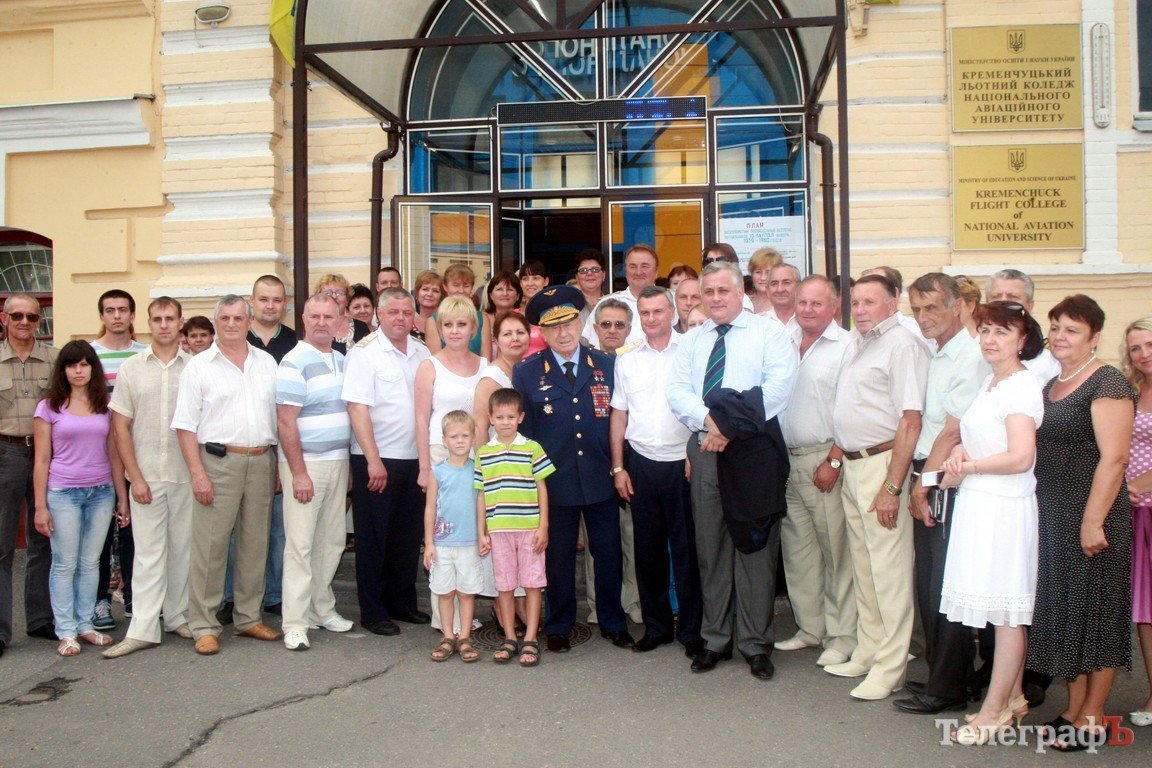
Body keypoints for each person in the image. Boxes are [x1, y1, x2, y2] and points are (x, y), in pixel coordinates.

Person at [667, 261, 797, 680]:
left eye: (724, 290)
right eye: (709, 292)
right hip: (706, 448)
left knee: (756, 550)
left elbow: (777, 388)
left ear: (741, 291)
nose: (716, 298)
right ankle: (715, 640)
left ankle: (756, 644)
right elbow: (678, 391)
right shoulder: (693, 339)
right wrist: (712, 424)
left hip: (754, 452)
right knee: (712, 549)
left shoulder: (768, 332)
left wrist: (728, 426)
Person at [934, 301, 1046, 744]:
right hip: (981, 503)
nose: (990, 340)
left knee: (1006, 613)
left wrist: (969, 468)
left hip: (1003, 506)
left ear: (1023, 340)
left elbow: (1021, 457)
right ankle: (1013, 696)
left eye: (1002, 332)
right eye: (984, 331)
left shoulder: (1021, 386)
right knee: (997, 608)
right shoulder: (991, 382)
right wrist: (961, 454)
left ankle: (995, 710)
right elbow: (979, 439)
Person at [1029, 294, 1136, 751]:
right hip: (1053, 514)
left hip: (1093, 515)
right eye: (1055, 327)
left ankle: (1093, 713)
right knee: (1068, 614)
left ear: (1094, 337)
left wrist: (1093, 523)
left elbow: (1114, 459)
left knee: (1097, 615)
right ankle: (1073, 708)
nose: (1060, 337)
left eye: (1071, 330)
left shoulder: (1108, 382)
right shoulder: (1052, 384)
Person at [512, 284, 633, 653]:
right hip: (556, 480)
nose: (563, 333)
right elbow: (527, 432)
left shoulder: (608, 365)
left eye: (569, 323)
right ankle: (560, 622)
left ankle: (613, 620)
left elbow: (620, 419)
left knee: (608, 553)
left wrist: (618, 468)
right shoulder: (527, 373)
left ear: (582, 322)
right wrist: (534, 482)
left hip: (601, 475)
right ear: (543, 333)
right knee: (558, 556)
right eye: (553, 327)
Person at [828, 273, 928, 700]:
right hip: (854, 466)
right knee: (865, 568)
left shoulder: (902, 344)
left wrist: (892, 485)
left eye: (871, 301)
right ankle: (869, 650)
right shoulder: (860, 342)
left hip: (883, 465)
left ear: (893, 302)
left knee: (888, 572)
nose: (862, 309)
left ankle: (891, 666)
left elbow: (911, 419)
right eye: (856, 302)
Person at [893, 274, 987, 716]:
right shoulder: (939, 351)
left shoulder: (969, 355)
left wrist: (921, 484)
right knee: (929, 584)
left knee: (942, 586)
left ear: (958, 306)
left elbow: (952, 430)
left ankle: (948, 685)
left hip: (943, 479)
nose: (924, 317)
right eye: (917, 309)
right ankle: (945, 674)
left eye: (932, 307)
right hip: (930, 472)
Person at [171, 295, 281, 655]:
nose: (231, 324)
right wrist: (198, 474)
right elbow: (185, 427)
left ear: (250, 322)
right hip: (218, 463)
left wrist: (277, 465)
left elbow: (277, 419)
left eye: (238, 317)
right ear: (215, 322)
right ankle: (203, 623)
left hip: (261, 460)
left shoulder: (266, 363)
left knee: (255, 544)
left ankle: (249, 618)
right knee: (210, 547)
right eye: (225, 318)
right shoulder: (199, 367)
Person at [610, 285, 702, 656]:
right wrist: (618, 466)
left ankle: (693, 631)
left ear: (672, 312)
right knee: (647, 551)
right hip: (642, 463)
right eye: (645, 313)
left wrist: (697, 453)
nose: (651, 319)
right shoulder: (627, 359)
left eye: (658, 312)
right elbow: (619, 413)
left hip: (683, 462)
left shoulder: (692, 352)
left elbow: (702, 406)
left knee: (687, 551)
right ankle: (658, 626)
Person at [103, 298, 195, 658]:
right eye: (156, 319)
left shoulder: (197, 368)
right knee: (147, 555)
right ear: (148, 323)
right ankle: (143, 627)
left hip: (186, 474)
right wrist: (133, 478)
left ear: (180, 322)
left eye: (170, 318)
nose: (163, 325)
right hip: (147, 477)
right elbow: (120, 426)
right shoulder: (131, 369)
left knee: (183, 550)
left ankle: (176, 616)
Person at [775, 276, 856, 668]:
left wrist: (835, 459)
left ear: (835, 306)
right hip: (786, 459)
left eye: (816, 303)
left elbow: (851, 409)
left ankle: (843, 635)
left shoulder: (847, 347)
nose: (807, 309)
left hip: (824, 457)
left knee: (835, 551)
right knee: (799, 550)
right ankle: (811, 628)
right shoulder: (783, 339)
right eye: (802, 302)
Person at [342, 287, 431, 636]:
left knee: (406, 538)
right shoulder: (364, 354)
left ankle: (402, 602)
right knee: (374, 537)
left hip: (414, 459)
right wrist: (373, 460)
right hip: (376, 460)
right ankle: (374, 610)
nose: (400, 319)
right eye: (393, 312)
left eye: (407, 313)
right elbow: (357, 408)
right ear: (379, 314)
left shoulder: (422, 352)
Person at [32, 341, 128, 656]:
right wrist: (40, 506)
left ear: (93, 369)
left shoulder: (106, 404)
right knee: (64, 563)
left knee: (90, 563)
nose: (78, 370)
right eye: (72, 365)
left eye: (85, 364)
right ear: (63, 369)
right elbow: (42, 459)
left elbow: (114, 453)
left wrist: (121, 497)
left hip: (100, 492)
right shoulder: (48, 406)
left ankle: (85, 625)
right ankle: (66, 631)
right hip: (62, 494)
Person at [275, 293, 355, 652]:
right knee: (301, 545)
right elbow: (286, 422)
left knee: (332, 540)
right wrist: (299, 472)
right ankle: (295, 621)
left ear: (340, 321)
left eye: (329, 316)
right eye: (315, 316)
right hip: (306, 465)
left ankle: (321, 609)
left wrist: (349, 464)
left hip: (338, 461)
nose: (322, 322)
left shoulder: (342, 359)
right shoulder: (294, 362)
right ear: (303, 319)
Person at [414, 294, 489, 633]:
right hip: (440, 454)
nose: (455, 331)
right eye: (448, 325)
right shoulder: (429, 366)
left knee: (469, 533)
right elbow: (419, 417)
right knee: (443, 533)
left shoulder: (485, 366)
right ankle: (443, 615)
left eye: (462, 324)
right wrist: (424, 468)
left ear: (473, 328)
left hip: (475, 456)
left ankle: (466, 606)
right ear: (440, 328)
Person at [476, 388, 555, 666]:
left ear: (520, 417)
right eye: (500, 417)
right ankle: (510, 636)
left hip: (529, 528)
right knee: (505, 586)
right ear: (490, 418)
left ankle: (531, 638)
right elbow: (481, 493)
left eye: (511, 416)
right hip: (499, 531)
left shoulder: (532, 448)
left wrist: (543, 525)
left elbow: (542, 487)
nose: (506, 422)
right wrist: (481, 531)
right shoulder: (484, 453)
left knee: (533, 585)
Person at [235, 274, 296, 621]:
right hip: (242, 444)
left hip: (279, 446)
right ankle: (231, 596)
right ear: (252, 302)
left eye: (276, 300)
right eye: (263, 299)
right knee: (234, 529)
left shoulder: (293, 343)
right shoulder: (236, 337)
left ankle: (273, 594)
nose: (270, 306)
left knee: (277, 527)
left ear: (284, 305)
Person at [0, 295, 57, 658]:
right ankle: (1, 631)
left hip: (47, 456)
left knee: (44, 540)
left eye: (32, 317)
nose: (25, 321)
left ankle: (40, 620)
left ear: (40, 320)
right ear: (4, 318)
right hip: (4, 452)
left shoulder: (54, 359)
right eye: (17, 315)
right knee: (2, 546)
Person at [90, 289, 146, 631]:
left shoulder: (144, 354)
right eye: (109, 310)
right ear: (102, 316)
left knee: (133, 531)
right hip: (97, 454)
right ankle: (99, 601)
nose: (116, 316)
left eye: (122, 310)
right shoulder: (90, 355)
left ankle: (135, 597)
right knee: (101, 531)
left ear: (132, 315)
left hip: (136, 453)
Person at [586, 299, 642, 626]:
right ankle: (597, 606)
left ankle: (634, 603)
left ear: (628, 330)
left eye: (619, 325)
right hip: (594, 464)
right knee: (598, 543)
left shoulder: (637, 361)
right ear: (595, 329)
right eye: (605, 324)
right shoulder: (584, 363)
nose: (612, 330)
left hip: (631, 462)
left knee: (633, 538)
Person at [422, 410, 484, 662]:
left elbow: (482, 502)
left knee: (466, 592)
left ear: (473, 438)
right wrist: (428, 543)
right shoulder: (437, 471)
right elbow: (430, 507)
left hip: (469, 543)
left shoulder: (478, 470)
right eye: (454, 436)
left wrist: (482, 534)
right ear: (444, 440)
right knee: (445, 592)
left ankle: (465, 636)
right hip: (443, 543)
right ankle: (448, 636)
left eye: (465, 436)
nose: (460, 441)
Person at [1121, 317, 1152, 727]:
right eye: (1135, 348)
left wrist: (1136, 482)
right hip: (1135, 512)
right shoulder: (1131, 391)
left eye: (1150, 343)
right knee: (1145, 612)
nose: (1144, 353)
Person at [985, 269, 1061, 385]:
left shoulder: (1049, 362)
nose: (1003, 303)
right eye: (996, 297)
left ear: (1029, 306)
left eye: (1013, 297)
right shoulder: (974, 352)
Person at [581, 244, 658, 348]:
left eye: (644, 266)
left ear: (656, 271)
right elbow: (591, 347)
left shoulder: (672, 302)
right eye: (633, 266)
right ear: (626, 271)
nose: (638, 272)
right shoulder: (606, 304)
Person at [473, 312, 530, 440]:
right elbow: (480, 428)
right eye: (507, 334)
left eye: (520, 332)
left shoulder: (529, 370)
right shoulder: (491, 377)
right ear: (497, 341)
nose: (515, 338)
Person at [426, 264, 485, 356]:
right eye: (456, 285)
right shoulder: (433, 320)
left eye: (466, 286)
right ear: (445, 287)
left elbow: (486, 360)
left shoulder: (482, 319)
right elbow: (435, 361)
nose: (461, 290)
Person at [315, 274, 371, 355]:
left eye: (339, 293)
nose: (334, 296)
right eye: (328, 293)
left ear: (347, 300)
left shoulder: (361, 327)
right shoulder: (314, 326)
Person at [483, 271, 522, 358]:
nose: (504, 294)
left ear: (518, 296)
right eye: (499, 289)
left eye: (509, 289)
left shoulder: (524, 319)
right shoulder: (482, 319)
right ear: (491, 295)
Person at [518, 260, 550, 356]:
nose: (530, 283)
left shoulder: (553, 314)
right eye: (525, 279)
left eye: (536, 278)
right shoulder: (513, 316)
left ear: (546, 281)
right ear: (520, 283)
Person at [573, 250, 607, 324]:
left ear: (603, 275)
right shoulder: (569, 308)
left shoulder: (613, 305)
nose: (589, 273)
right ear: (577, 278)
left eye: (595, 269)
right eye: (583, 270)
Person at [763, 263, 800, 330]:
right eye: (774, 283)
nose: (780, 289)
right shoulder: (757, 323)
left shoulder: (811, 319)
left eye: (786, 282)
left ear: (799, 287)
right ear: (767, 291)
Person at [747, 247, 782, 316]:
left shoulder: (784, 304)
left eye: (768, 272)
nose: (763, 278)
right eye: (758, 272)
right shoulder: (745, 303)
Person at [411, 269, 443, 343]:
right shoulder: (408, 322)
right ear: (417, 292)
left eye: (435, 291)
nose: (429, 294)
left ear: (441, 296)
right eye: (425, 289)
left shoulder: (446, 324)